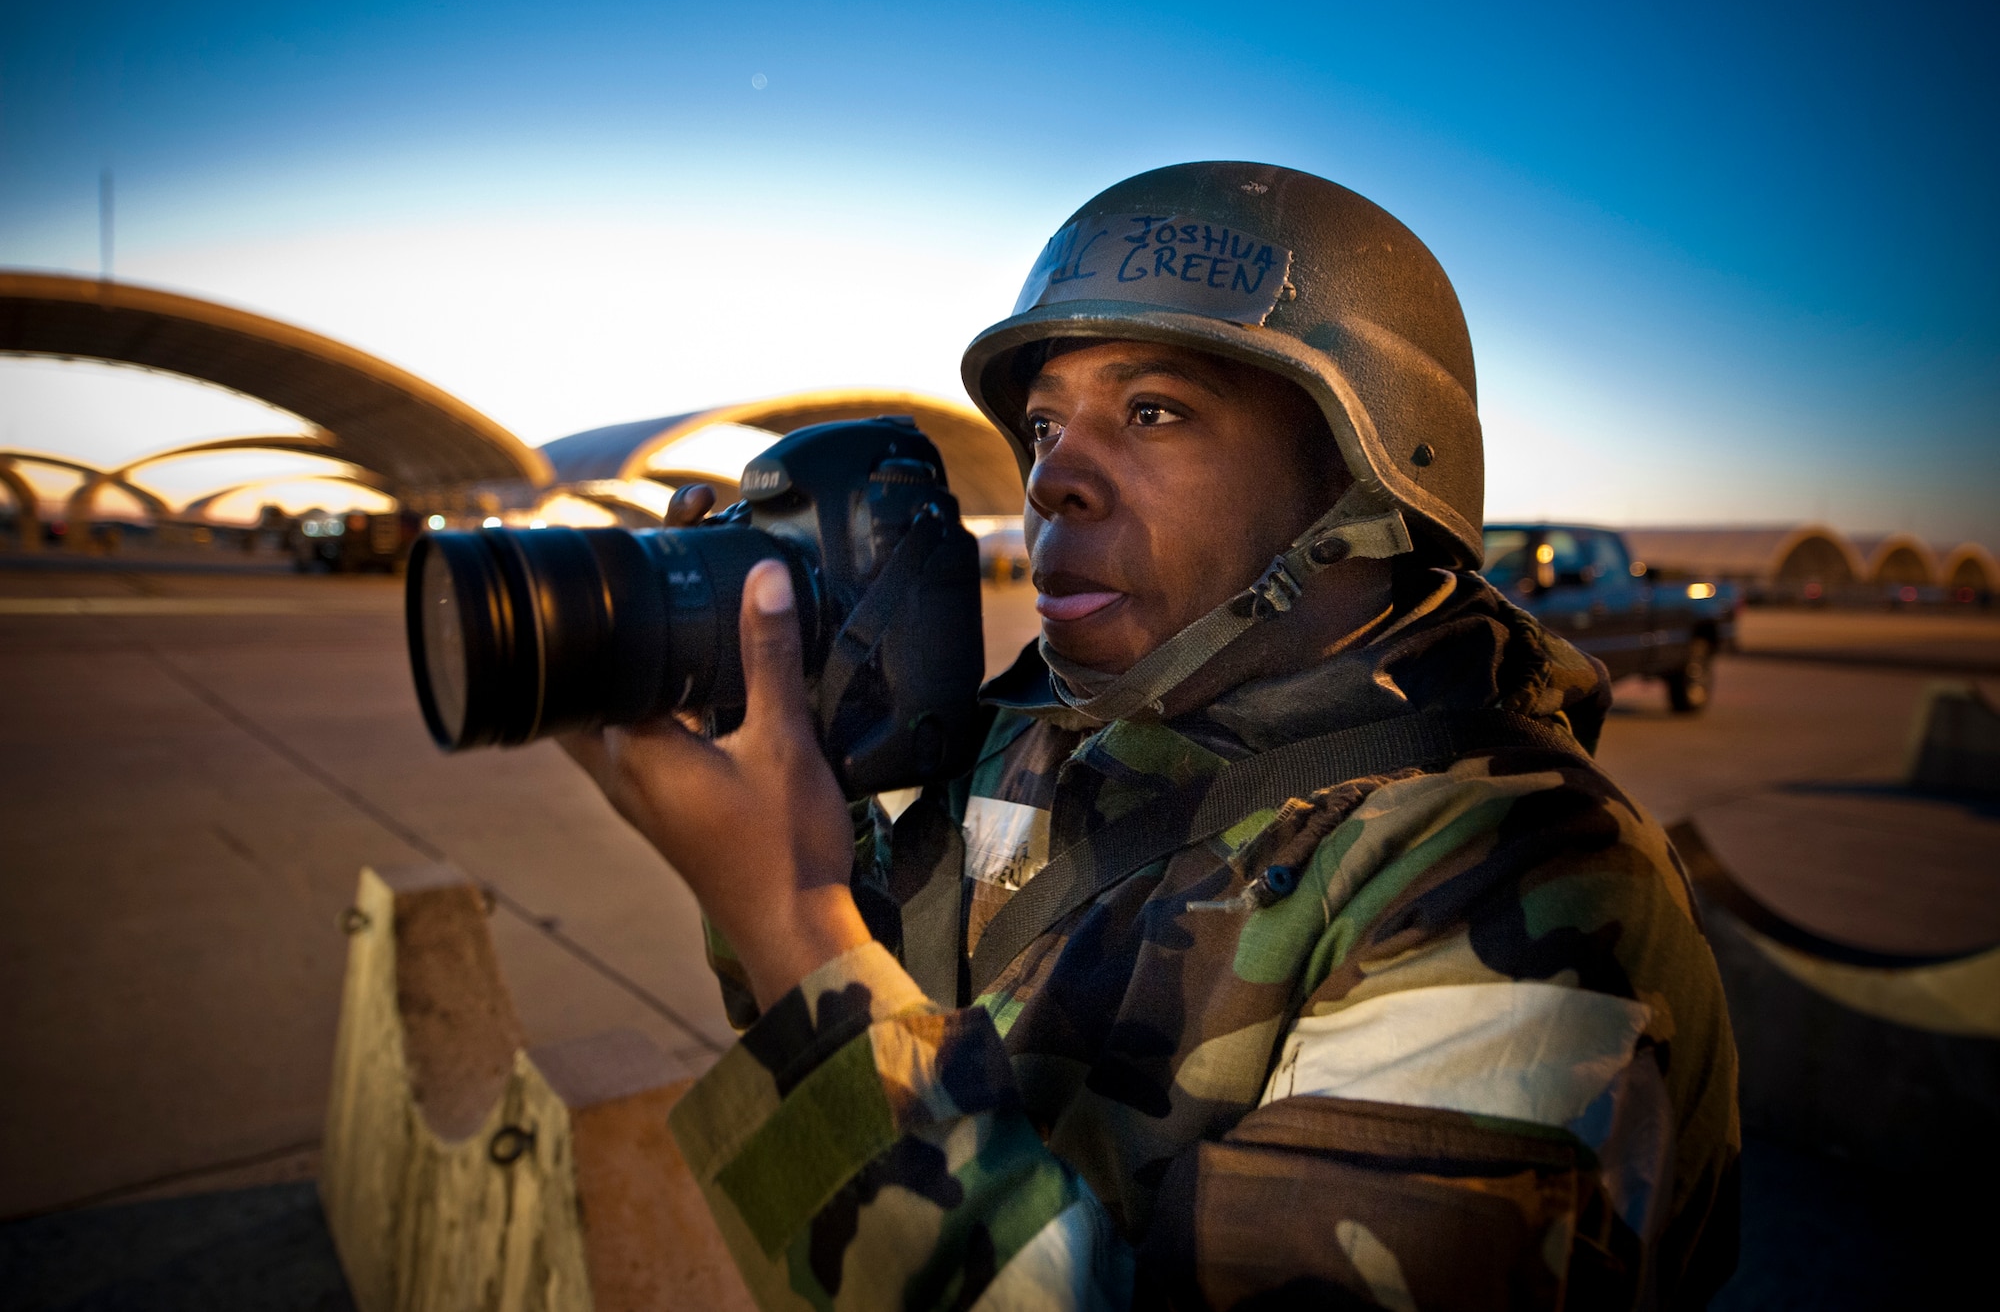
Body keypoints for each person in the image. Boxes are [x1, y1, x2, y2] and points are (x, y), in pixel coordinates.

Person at [560, 162, 1740, 1310]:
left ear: (1361, 481)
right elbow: (842, 999)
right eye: (1041, 425)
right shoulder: (1043, 732)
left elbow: (811, 968)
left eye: (1151, 411)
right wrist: (770, 795)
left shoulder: (1518, 871)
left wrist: (790, 925)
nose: (1052, 478)